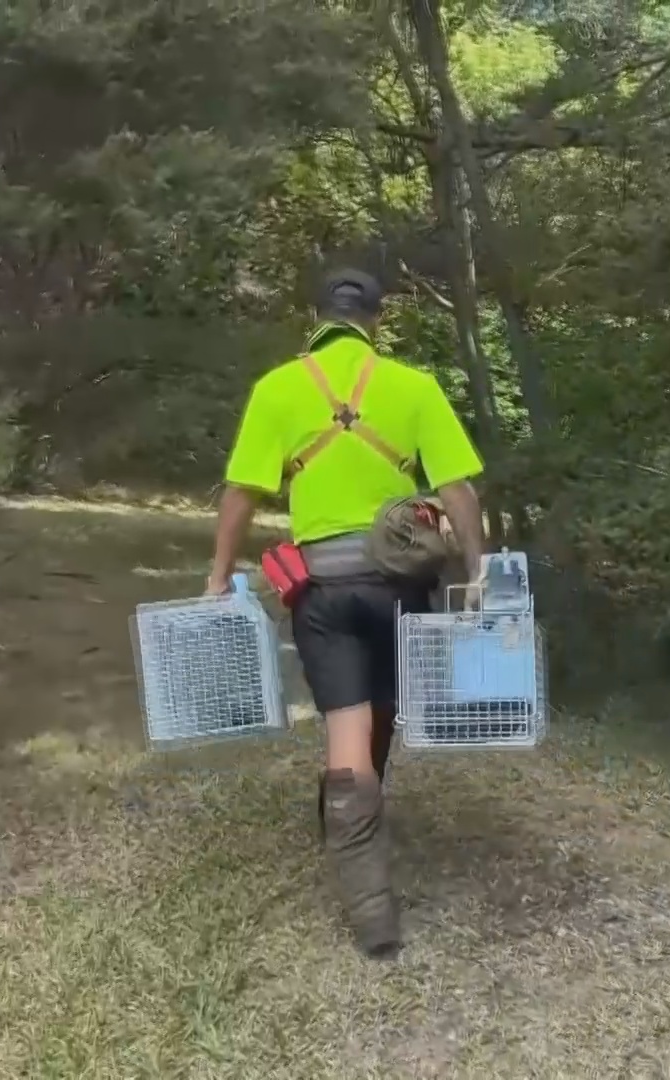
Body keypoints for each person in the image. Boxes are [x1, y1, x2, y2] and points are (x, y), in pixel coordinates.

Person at [207, 267, 488, 959]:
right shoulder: (414, 387)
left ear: (318, 317)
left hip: (322, 592)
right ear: (377, 320)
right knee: (385, 711)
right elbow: (459, 493)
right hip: (399, 587)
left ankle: (372, 914)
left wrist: (218, 577)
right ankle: (351, 812)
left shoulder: (277, 388)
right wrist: (480, 572)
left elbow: (242, 494)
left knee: (347, 731)